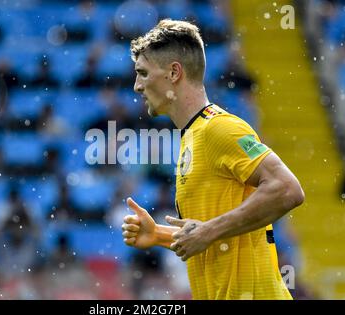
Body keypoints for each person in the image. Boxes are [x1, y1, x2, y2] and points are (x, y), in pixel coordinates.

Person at [121, 19, 305, 300]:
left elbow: (288, 189)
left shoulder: (219, 129)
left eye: (143, 73)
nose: (137, 86)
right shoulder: (192, 138)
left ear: (173, 72)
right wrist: (158, 234)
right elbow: (210, 234)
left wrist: (208, 231)